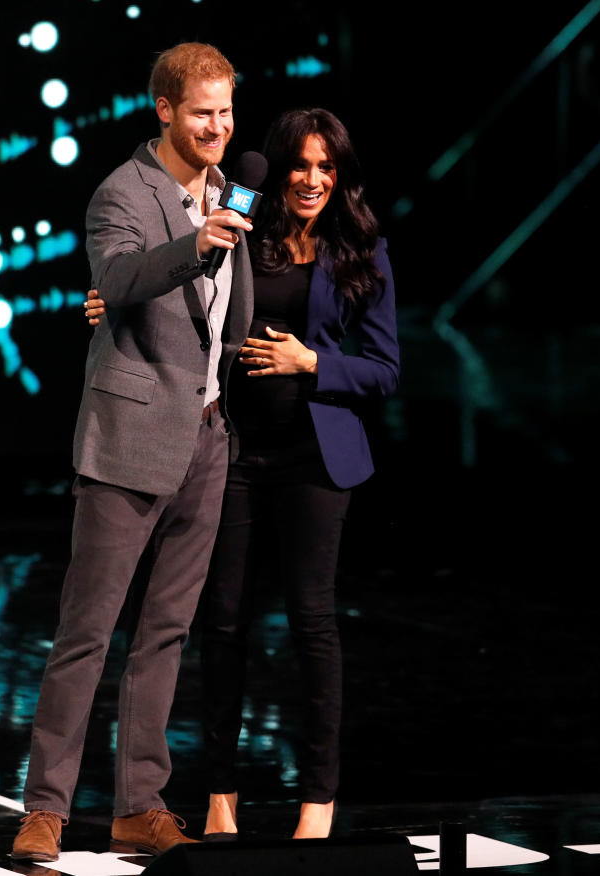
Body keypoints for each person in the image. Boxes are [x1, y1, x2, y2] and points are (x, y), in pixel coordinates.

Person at [85, 108, 399, 842]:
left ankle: (316, 800)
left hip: (318, 460)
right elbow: (182, 289)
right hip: (231, 449)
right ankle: (220, 794)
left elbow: (385, 370)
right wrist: (114, 297)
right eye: (301, 165)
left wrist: (313, 361)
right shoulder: (242, 230)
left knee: (312, 623)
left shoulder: (364, 252)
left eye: (327, 168)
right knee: (221, 625)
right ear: (280, 168)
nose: (313, 180)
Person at [13, 42, 254, 863]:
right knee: (88, 629)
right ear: (163, 110)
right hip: (127, 440)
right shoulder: (124, 191)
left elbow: (225, 315)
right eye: (201, 113)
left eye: (225, 112)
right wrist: (194, 245)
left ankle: (138, 805)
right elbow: (115, 278)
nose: (217, 127)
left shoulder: (228, 191)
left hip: (207, 437)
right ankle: (45, 805)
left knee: (167, 632)